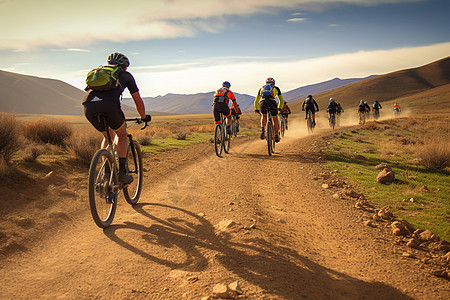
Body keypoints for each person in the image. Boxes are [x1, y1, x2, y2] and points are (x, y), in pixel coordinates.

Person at [83, 52, 151, 184]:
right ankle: (121, 174)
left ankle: (106, 173)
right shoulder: (126, 75)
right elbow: (137, 100)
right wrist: (143, 117)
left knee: (107, 137)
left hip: (88, 106)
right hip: (110, 106)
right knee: (122, 135)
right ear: (125, 66)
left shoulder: (99, 74)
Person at [254, 77, 285, 142]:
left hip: (263, 103)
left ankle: (263, 130)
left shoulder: (261, 88)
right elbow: (281, 100)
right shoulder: (276, 88)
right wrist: (280, 108)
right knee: (275, 118)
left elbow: (256, 100)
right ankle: (276, 134)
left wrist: (256, 108)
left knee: (264, 115)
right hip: (272, 102)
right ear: (274, 83)